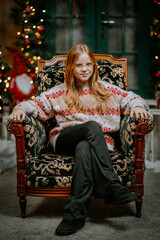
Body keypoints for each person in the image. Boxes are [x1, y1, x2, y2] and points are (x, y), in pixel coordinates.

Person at [9, 44, 151, 236]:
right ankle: (110, 183)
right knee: (91, 126)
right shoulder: (60, 91)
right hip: (64, 140)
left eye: (89, 64)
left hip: (95, 145)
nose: (85, 69)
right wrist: (19, 110)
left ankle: (73, 216)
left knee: (84, 146)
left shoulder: (106, 90)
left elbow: (132, 97)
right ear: (71, 68)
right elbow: (34, 104)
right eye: (79, 65)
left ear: (94, 67)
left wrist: (138, 107)